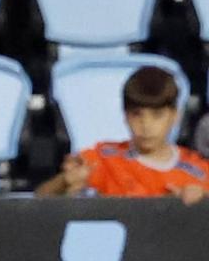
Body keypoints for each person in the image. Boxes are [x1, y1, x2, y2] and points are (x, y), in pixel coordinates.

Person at [37, 65, 209, 202]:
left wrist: (200, 204)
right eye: (137, 115)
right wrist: (64, 182)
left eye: (157, 115)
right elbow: (40, 199)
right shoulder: (104, 159)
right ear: (125, 116)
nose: (146, 125)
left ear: (175, 116)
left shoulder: (199, 172)